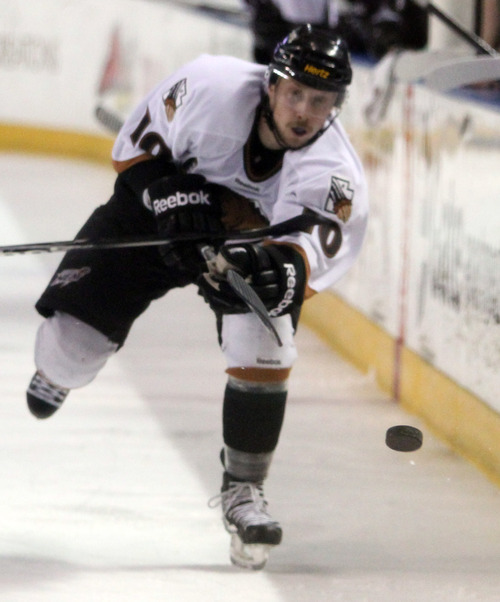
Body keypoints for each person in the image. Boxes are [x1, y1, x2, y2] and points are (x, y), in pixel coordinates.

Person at [26, 25, 368, 570]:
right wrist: (166, 191)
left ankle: (244, 489)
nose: (303, 111)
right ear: (272, 86)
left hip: (240, 249)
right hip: (152, 219)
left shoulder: (335, 173)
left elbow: (304, 256)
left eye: (319, 100)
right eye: (295, 93)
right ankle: (58, 370)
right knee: (69, 350)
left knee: (269, 337)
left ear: (336, 105)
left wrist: (273, 273)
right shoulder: (209, 87)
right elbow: (133, 154)